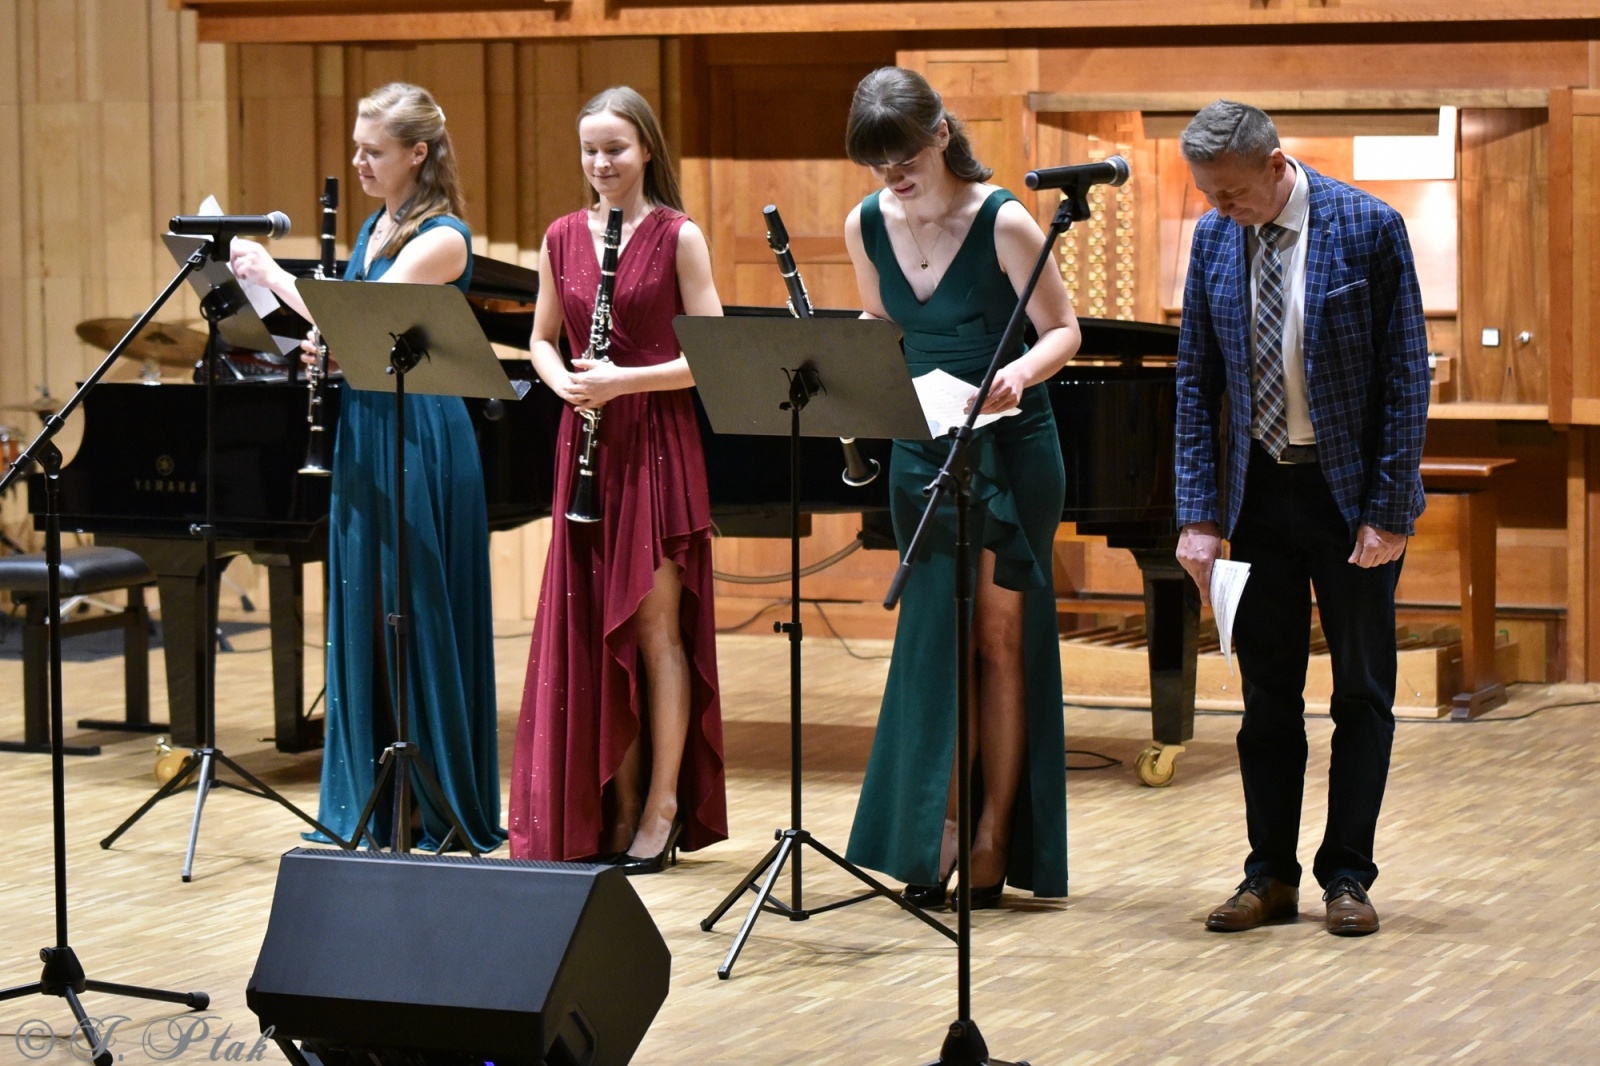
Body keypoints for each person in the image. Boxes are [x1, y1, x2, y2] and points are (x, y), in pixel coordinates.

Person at [1172, 100, 1429, 937]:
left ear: (1277, 165)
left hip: (1346, 496)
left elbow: (1405, 378)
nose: (1221, 208)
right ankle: (1269, 876)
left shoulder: (1368, 226)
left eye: (1233, 193)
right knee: (1266, 698)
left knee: (1362, 693)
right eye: (1209, 194)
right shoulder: (1215, 238)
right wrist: (1199, 514)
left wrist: (1388, 509)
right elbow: (1195, 383)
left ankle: (1347, 876)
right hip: (1258, 493)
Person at [231, 82, 504, 854]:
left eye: (372, 150)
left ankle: (435, 803)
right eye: (356, 148)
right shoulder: (373, 227)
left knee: (418, 609)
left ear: (417, 154)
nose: (358, 161)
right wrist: (324, 349)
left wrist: (271, 274)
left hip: (420, 435)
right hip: (368, 425)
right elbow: (358, 337)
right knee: (368, 606)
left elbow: (365, 310)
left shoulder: (443, 238)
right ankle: (379, 803)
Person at [840, 67, 1078, 910]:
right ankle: (936, 828)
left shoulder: (1004, 220)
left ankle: (991, 837)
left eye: (904, 157)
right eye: (878, 164)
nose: (893, 176)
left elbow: (1062, 330)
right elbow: (881, 323)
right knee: (941, 639)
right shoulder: (866, 223)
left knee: (999, 641)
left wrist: (1019, 373)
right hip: (924, 446)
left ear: (940, 134)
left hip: (1011, 441)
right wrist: (848, 361)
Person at [508, 86, 727, 873]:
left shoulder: (679, 236)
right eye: (590, 151)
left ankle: (662, 804)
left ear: (646, 150)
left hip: (655, 442)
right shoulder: (561, 236)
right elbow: (540, 338)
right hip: (587, 436)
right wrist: (564, 379)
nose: (601, 163)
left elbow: (711, 354)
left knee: (655, 630)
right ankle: (618, 803)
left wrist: (622, 382)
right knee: (595, 627)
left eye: (616, 149)